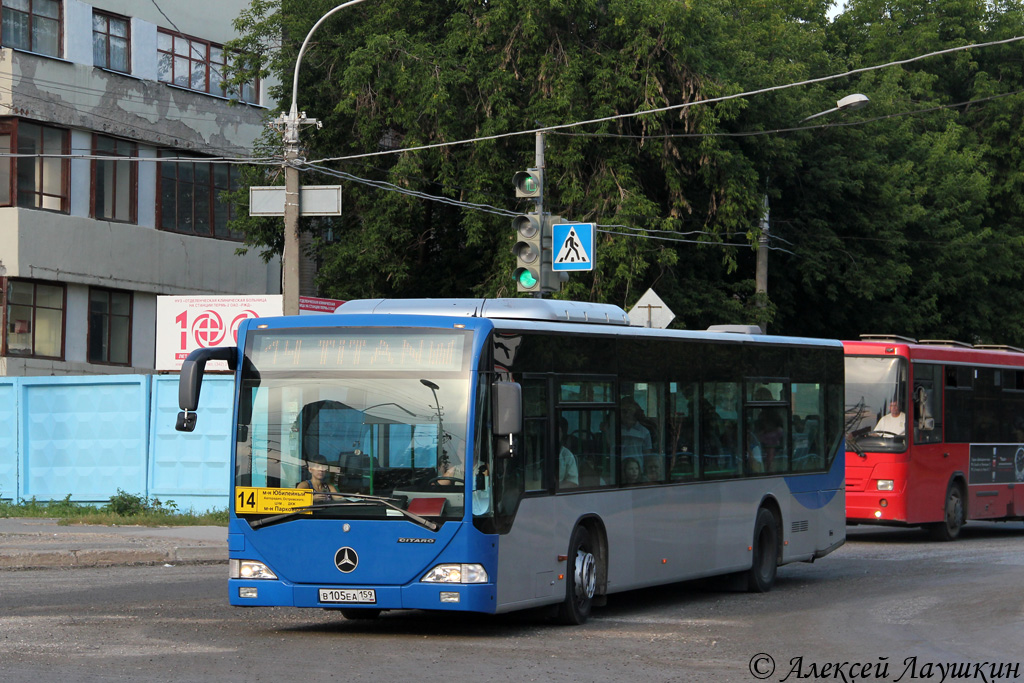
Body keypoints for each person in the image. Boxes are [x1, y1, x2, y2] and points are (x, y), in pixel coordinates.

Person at [558, 417, 579, 487]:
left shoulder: (566, 455)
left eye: (558, 432)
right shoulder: (538, 453)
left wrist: (556, 488)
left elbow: (573, 482)